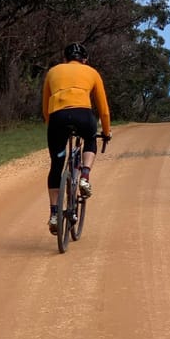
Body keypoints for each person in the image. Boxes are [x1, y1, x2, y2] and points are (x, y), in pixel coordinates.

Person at [42, 42, 112, 235]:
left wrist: (53, 128)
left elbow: (45, 106)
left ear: (64, 60)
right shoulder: (92, 72)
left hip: (57, 117)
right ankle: (85, 176)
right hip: (83, 116)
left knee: (56, 166)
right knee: (90, 140)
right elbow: (104, 111)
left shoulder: (53, 72)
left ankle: (55, 214)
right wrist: (106, 132)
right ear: (85, 60)